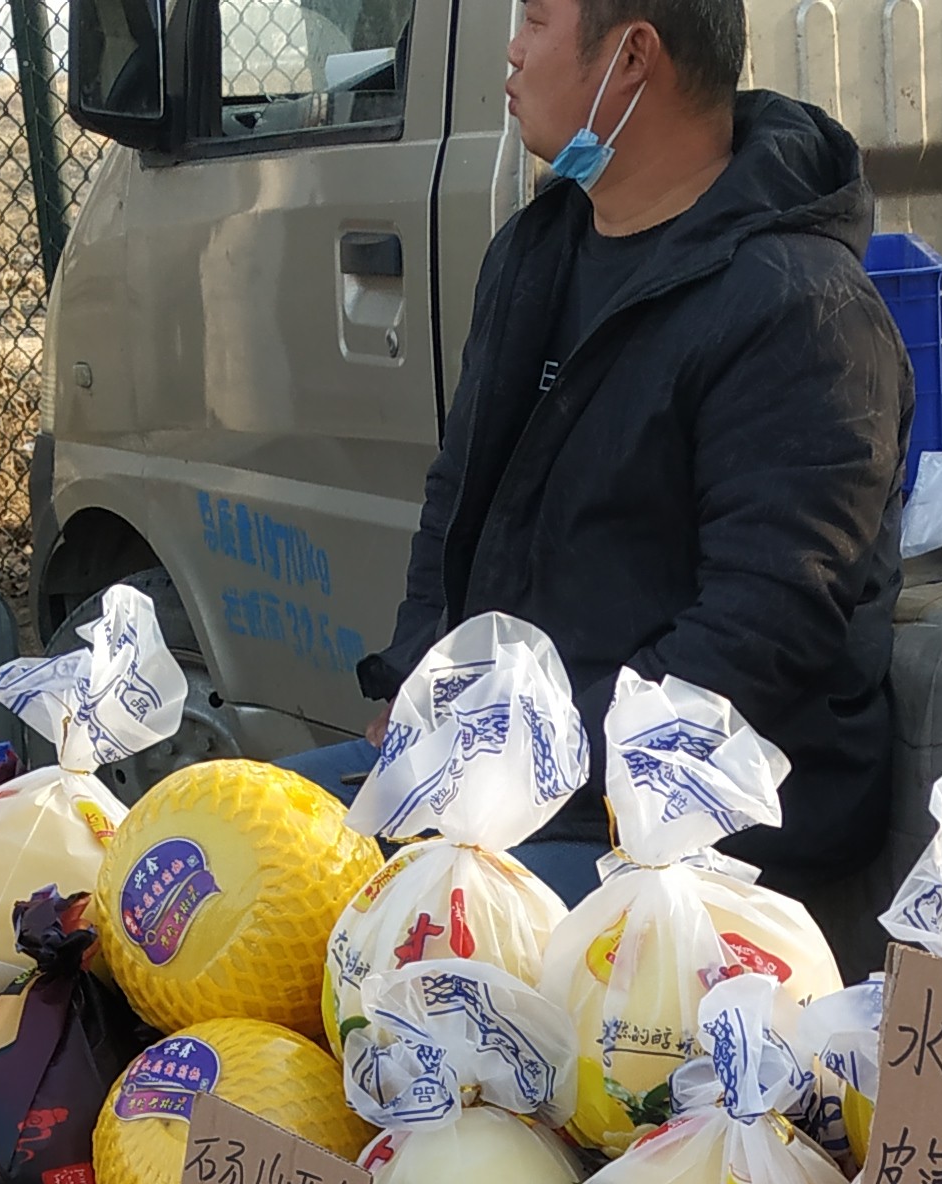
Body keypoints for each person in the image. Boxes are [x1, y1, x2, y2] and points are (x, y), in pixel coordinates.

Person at [352, 0, 908, 913]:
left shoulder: (800, 311)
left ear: (633, 56)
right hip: (508, 775)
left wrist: (508, 757)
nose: (513, 50)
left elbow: (758, 638)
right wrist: (422, 699)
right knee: (214, 865)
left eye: (535, 20)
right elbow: (454, 509)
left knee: (363, 938)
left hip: (693, 824)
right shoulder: (534, 255)